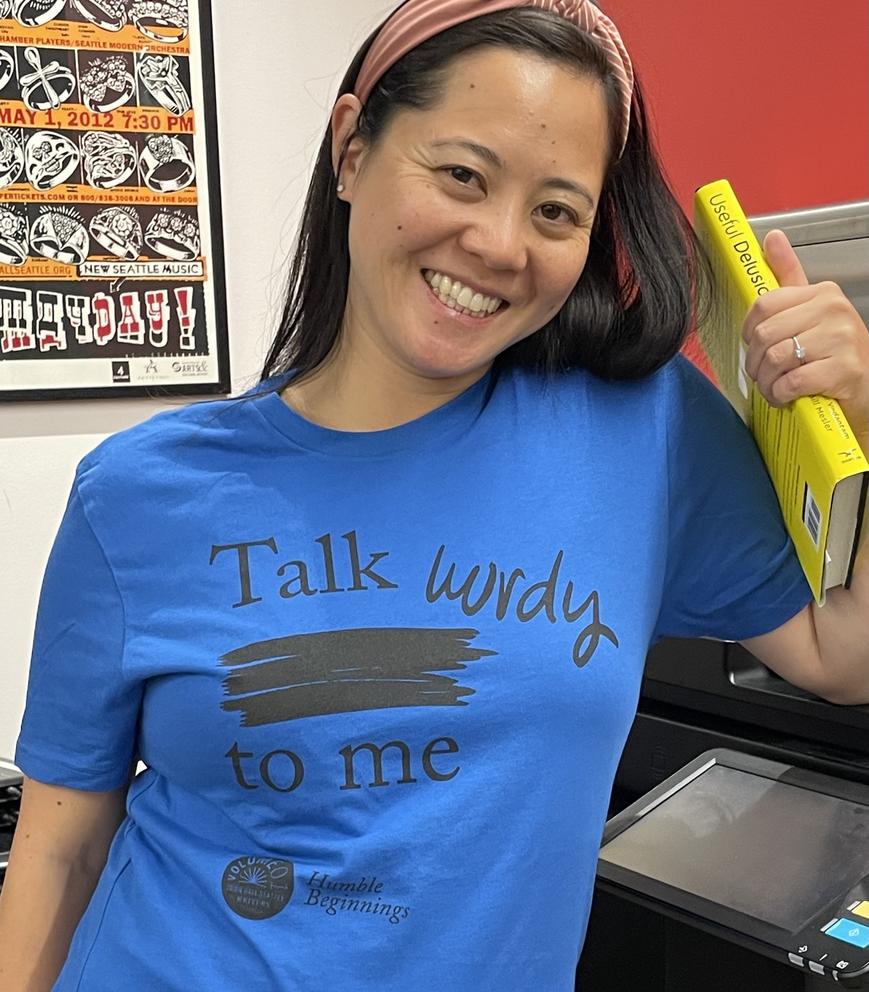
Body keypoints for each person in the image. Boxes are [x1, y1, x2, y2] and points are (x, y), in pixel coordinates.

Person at [1, 1, 867, 989]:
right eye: (461, 174)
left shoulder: (642, 430)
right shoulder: (139, 493)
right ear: (351, 150)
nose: (499, 244)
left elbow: (841, 653)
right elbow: (59, 851)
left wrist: (863, 404)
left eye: (554, 210)